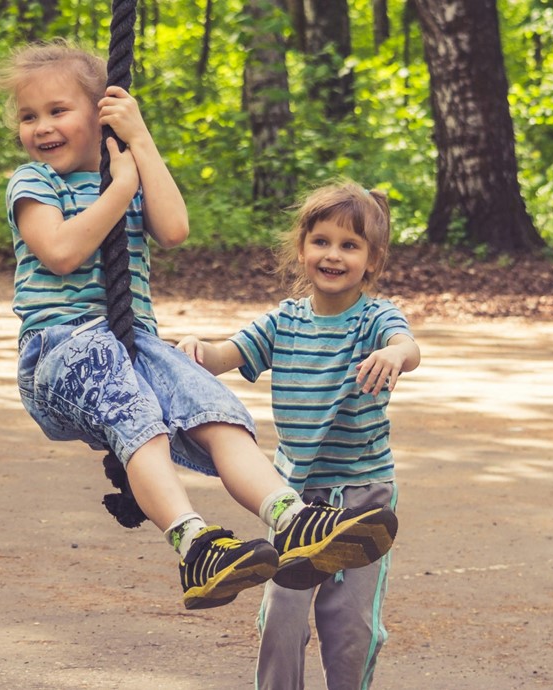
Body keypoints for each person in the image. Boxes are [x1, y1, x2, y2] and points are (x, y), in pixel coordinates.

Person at [0, 41, 399, 612]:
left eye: (58, 111)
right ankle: (193, 542)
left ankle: (293, 519)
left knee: (216, 411)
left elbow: (175, 228)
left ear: (103, 113)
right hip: (60, 349)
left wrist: (140, 143)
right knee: (140, 420)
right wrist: (121, 191)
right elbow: (59, 252)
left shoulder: (125, 170)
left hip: (131, 344)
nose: (42, 127)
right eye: (29, 117)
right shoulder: (34, 182)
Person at [176, 182, 418, 688]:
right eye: (322, 241)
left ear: (372, 261)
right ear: (302, 248)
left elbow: (406, 344)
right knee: (281, 619)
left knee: (351, 627)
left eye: (350, 246)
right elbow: (227, 355)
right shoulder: (282, 321)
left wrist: (395, 355)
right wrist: (199, 350)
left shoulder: (376, 318)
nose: (333, 255)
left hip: (362, 494)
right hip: (293, 501)